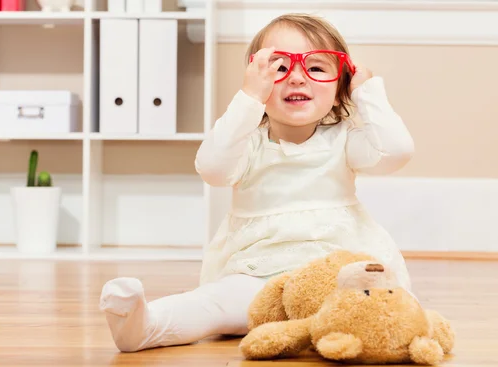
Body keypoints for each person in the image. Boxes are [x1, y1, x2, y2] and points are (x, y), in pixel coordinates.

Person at [99, 13, 415, 353]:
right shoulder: (248, 142)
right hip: (259, 277)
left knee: (376, 302)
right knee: (214, 305)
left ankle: (328, 328)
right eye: (278, 68)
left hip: (335, 275)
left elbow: (396, 152)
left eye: (318, 68)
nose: (296, 78)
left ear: (340, 91)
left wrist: (367, 91)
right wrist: (248, 100)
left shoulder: (345, 141)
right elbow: (212, 169)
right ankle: (145, 326)